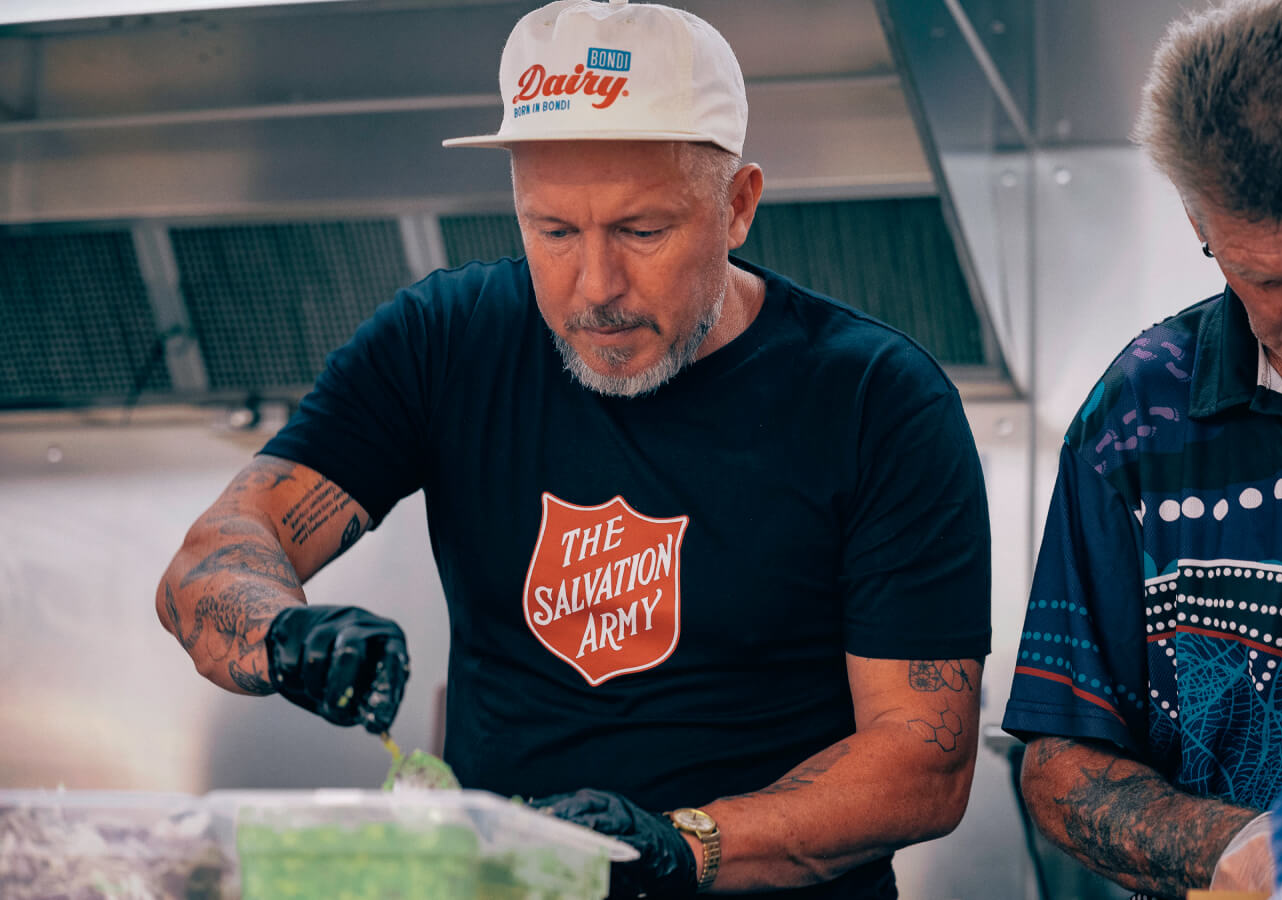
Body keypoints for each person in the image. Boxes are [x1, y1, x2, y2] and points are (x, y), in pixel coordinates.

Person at [155, 2, 991, 897]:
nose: (596, 289)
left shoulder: (876, 401)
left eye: (643, 231)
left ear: (738, 205)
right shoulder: (445, 342)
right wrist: (283, 635)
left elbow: (922, 762)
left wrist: (680, 849)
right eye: (553, 232)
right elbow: (210, 561)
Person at [1001, 1, 1282, 897]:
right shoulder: (1138, 414)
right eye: (1269, 281)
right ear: (1199, 219)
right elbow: (1061, 761)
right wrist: (1243, 853)